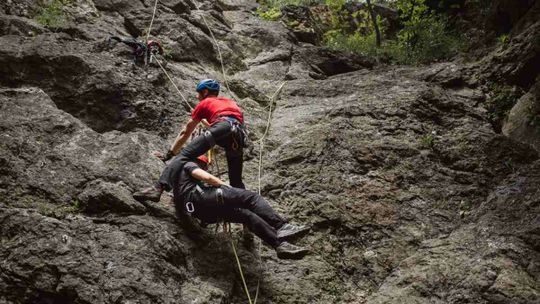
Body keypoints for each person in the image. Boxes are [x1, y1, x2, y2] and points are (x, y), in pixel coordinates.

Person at [174, 155, 310, 259]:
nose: (205, 168)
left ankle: (279, 245)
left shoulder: (181, 184)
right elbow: (207, 177)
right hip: (202, 198)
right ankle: (281, 226)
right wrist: (225, 186)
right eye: (204, 165)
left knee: (247, 215)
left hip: (201, 212)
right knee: (251, 198)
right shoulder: (189, 164)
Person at [134, 79, 247, 202]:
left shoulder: (204, 103)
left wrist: (169, 154)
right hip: (238, 135)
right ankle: (246, 207)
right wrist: (206, 122)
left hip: (222, 127)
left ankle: (157, 188)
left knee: (183, 156)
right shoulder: (231, 103)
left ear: (205, 92)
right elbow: (225, 126)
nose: (197, 96)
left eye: (198, 93)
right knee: (236, 180)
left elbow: (185, 132)